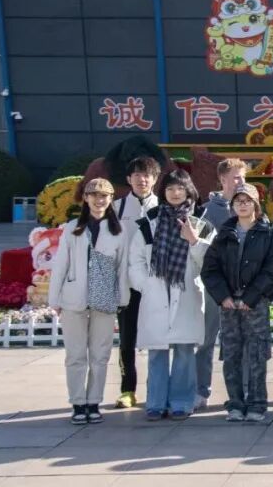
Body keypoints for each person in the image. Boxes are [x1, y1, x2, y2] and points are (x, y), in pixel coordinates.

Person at [128, 169, 216, 420]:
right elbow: (135, 261)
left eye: (180, 188)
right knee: (157, 352)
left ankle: (181, 402)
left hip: (187, 294)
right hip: (156, 294)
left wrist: (194, 242)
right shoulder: (149, 224)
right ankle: (155, 402)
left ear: (189, 191)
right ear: (163, 192)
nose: (175, 193)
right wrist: (146, 285)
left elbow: (211, 263)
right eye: (170, 189)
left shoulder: (202, 225)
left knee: (185, 352)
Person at [49, 178, 130, 425]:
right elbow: (61, 264)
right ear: (85, 198)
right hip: (74, 298)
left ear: (111, 199)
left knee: (100, 354)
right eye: (93, 195)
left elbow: (122, 268)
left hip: (104, 299)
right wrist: (55, 298)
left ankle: (94, 401)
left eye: (104, 196)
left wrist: (122, 298)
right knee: (75, 355)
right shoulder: (73, 228)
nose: (99, 200)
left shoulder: (118, 230)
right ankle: (78, 402)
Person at [201, 183, 273, 423]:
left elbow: (272, 269)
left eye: (247, 201)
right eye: (238, 201)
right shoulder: (224, 234)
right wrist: (223, 296)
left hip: (255, 303)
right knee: (231, 354)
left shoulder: (268, 233)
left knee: (257, 354)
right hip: (229, 304)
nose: (243, 205)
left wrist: (252, 297)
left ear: (255, 204)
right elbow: (210, 269)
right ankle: (235, 403)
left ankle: (257, 403)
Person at [196, 158, 249, 411]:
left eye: (243, 177)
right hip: (213, 287)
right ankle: (200, 390)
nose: (240, 182)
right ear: (223, 179)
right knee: (205, 340)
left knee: (239, 342)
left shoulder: (250, 207)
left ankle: (240, 392)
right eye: (236, 177)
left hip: (241, 287)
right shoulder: (207, 211)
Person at [112, 157, 160, 409]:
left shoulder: (163, 207)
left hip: (155, 285)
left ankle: (157, 389)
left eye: (147, 175)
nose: (142, 180)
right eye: (137, 175)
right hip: (126, 284)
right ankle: (127, 389)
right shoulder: (116, 208)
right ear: (128, 179)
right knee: (127, 338)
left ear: (155, 179)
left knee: (158, 339)